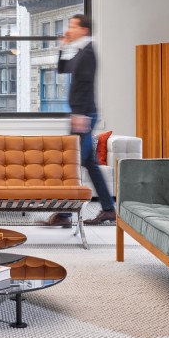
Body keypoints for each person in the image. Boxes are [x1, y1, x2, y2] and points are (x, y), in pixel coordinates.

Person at [46, 14, 116, 227]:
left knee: (72, 163)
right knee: (88, 163)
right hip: (80, 114)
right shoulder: (80, 52)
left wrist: (81, 115)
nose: (69, 29)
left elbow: (85, 85)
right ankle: (108, 210)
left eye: (73, 26)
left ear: (84, 30)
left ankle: (65, 214)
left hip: (83, 115)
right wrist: (63, 46)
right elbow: (63, 69)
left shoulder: (88, 53)